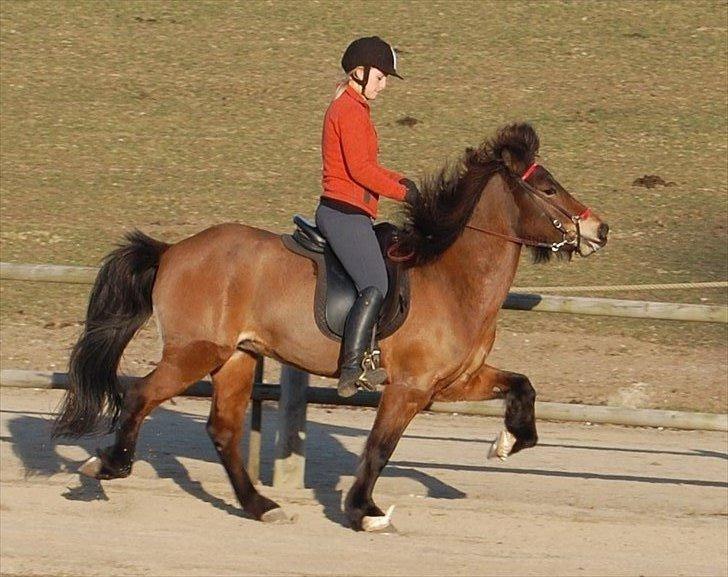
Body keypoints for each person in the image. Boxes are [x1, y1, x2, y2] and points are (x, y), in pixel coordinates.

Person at [315, 36, 419, 398]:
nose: (384, 83)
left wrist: (402, 179)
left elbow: (370, 167)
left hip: (353, 212)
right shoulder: (347, 110)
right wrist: (403, 193)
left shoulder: (355, 108)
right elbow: (360, 171)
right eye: (381, 76)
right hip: (343, 213)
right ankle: (352, 366)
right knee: (376, 282)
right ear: (359, 73)